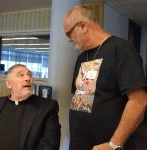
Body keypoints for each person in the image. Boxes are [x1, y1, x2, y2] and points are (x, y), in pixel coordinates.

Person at [63, 5, 147, 150]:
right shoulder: (82, 57)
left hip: (107, 146)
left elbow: (139, 102)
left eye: (69, 34)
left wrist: (114, 144)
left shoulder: (122, 49)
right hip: (79, 143)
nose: (69, 40)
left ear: (83, 26)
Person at [0, 64, 61, 150]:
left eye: (29, 74)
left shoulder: (47, 107)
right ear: (9, 84)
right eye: (21, 75)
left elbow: (50, 145)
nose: (27, 78)